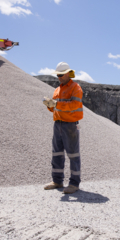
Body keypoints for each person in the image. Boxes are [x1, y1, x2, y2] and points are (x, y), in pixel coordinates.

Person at [42, 62, 83, 194]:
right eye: (57, 75)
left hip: (70, 125)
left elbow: (75, 105)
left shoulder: (76, 88)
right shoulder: (57, 89)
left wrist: (57, 104)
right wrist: (49, 105)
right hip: (58, 123)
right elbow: (54, 108)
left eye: (60, 75)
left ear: (67, 74)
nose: (58, 77)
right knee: (57, 153)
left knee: (73, 154)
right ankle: (57, 181)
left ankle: (74, 183)